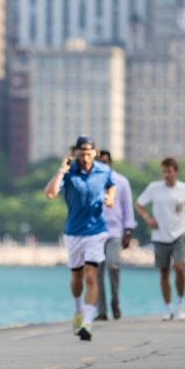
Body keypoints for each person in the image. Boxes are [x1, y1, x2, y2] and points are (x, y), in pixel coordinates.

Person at [44, 135, 116, 341]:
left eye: (88, 152)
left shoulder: (104, 171)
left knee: (91, 276)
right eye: (81, 153)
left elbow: (111, 185)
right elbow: (49, 194)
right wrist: (61, 169)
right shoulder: (69, 173)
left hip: (96, 232)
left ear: (95, 152)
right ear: (76, 153)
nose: (85, 157)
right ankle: (78, 311)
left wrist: (110, 197)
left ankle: (87, 322)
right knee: (76, 278)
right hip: (73, 232)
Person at [135, 157, 185, 320]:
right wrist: (148, 218)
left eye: (169, 171)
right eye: (164, 171)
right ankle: (168, 307)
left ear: (175, 172)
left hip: (179, 234)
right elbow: (139, 204)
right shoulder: (154, 188)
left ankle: (181, 304)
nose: (166, 175)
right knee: (164, 272)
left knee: (179, 267)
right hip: (160, 235)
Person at [96, 149, 136, 320]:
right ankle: (102, 311)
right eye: (99, 162)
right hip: (95, 232)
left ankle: (115, 301)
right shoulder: (92, 180)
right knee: (97, 272)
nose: (102, 164)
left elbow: (128, 207)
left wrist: (128, 231)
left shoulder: (121, 181)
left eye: (105, 161)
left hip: (115, 232)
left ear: (110, 162)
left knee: (113, 266)